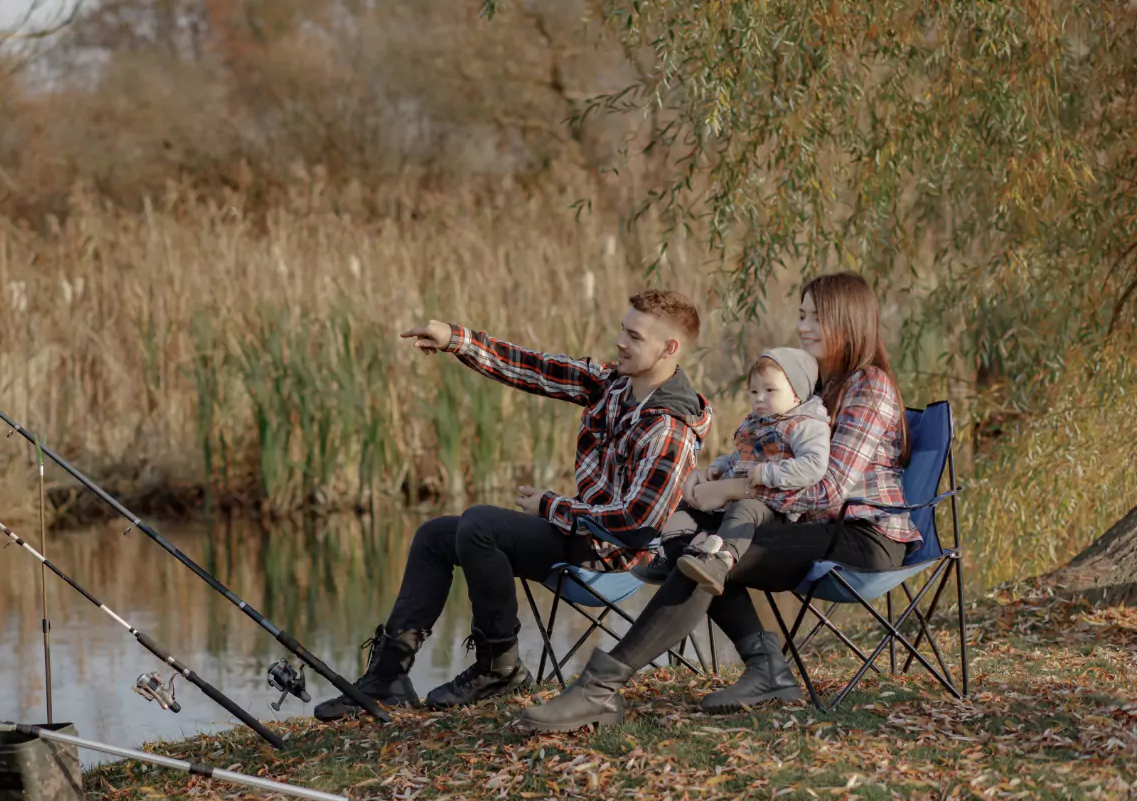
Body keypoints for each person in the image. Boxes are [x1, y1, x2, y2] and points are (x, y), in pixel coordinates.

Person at [512, 271, 920, 734]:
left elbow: (827, 491)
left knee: (705, 555)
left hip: (865, 538)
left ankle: (597, 689)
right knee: (700, 544)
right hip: (814, 524)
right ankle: (766, 669)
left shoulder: (868, 386)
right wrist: (719, 476)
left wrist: (734, 490)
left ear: (847, 320)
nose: (803, 327)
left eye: (815, 317)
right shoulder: (817, 385)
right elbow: (775, 459)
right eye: (801, 315)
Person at [312, 289, 712, 722]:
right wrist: (455, 339)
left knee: (481, 525)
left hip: (615, 557)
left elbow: (638, 525)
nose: (619, 341)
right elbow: (532, 367)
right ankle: (388, 678)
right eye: (622, 328)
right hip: (580, 536)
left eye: (633, 336)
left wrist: (552, 506)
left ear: (669, 348)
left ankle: (498, 667)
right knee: (436, 536)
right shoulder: (612, 385)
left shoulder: (669, 428)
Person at [659, 347, 829, 596]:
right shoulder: (756, 421)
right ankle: (673, 555)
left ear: (797, 395)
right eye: (754, 391)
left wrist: (768, 473)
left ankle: (720, 561)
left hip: (776, 509)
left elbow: (814, 464)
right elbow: (740, 457)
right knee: (688, 504)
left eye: (770, 390)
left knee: (744, 509)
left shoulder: (805, 425)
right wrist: (719, 466)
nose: (759, 398)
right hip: (739, 494)